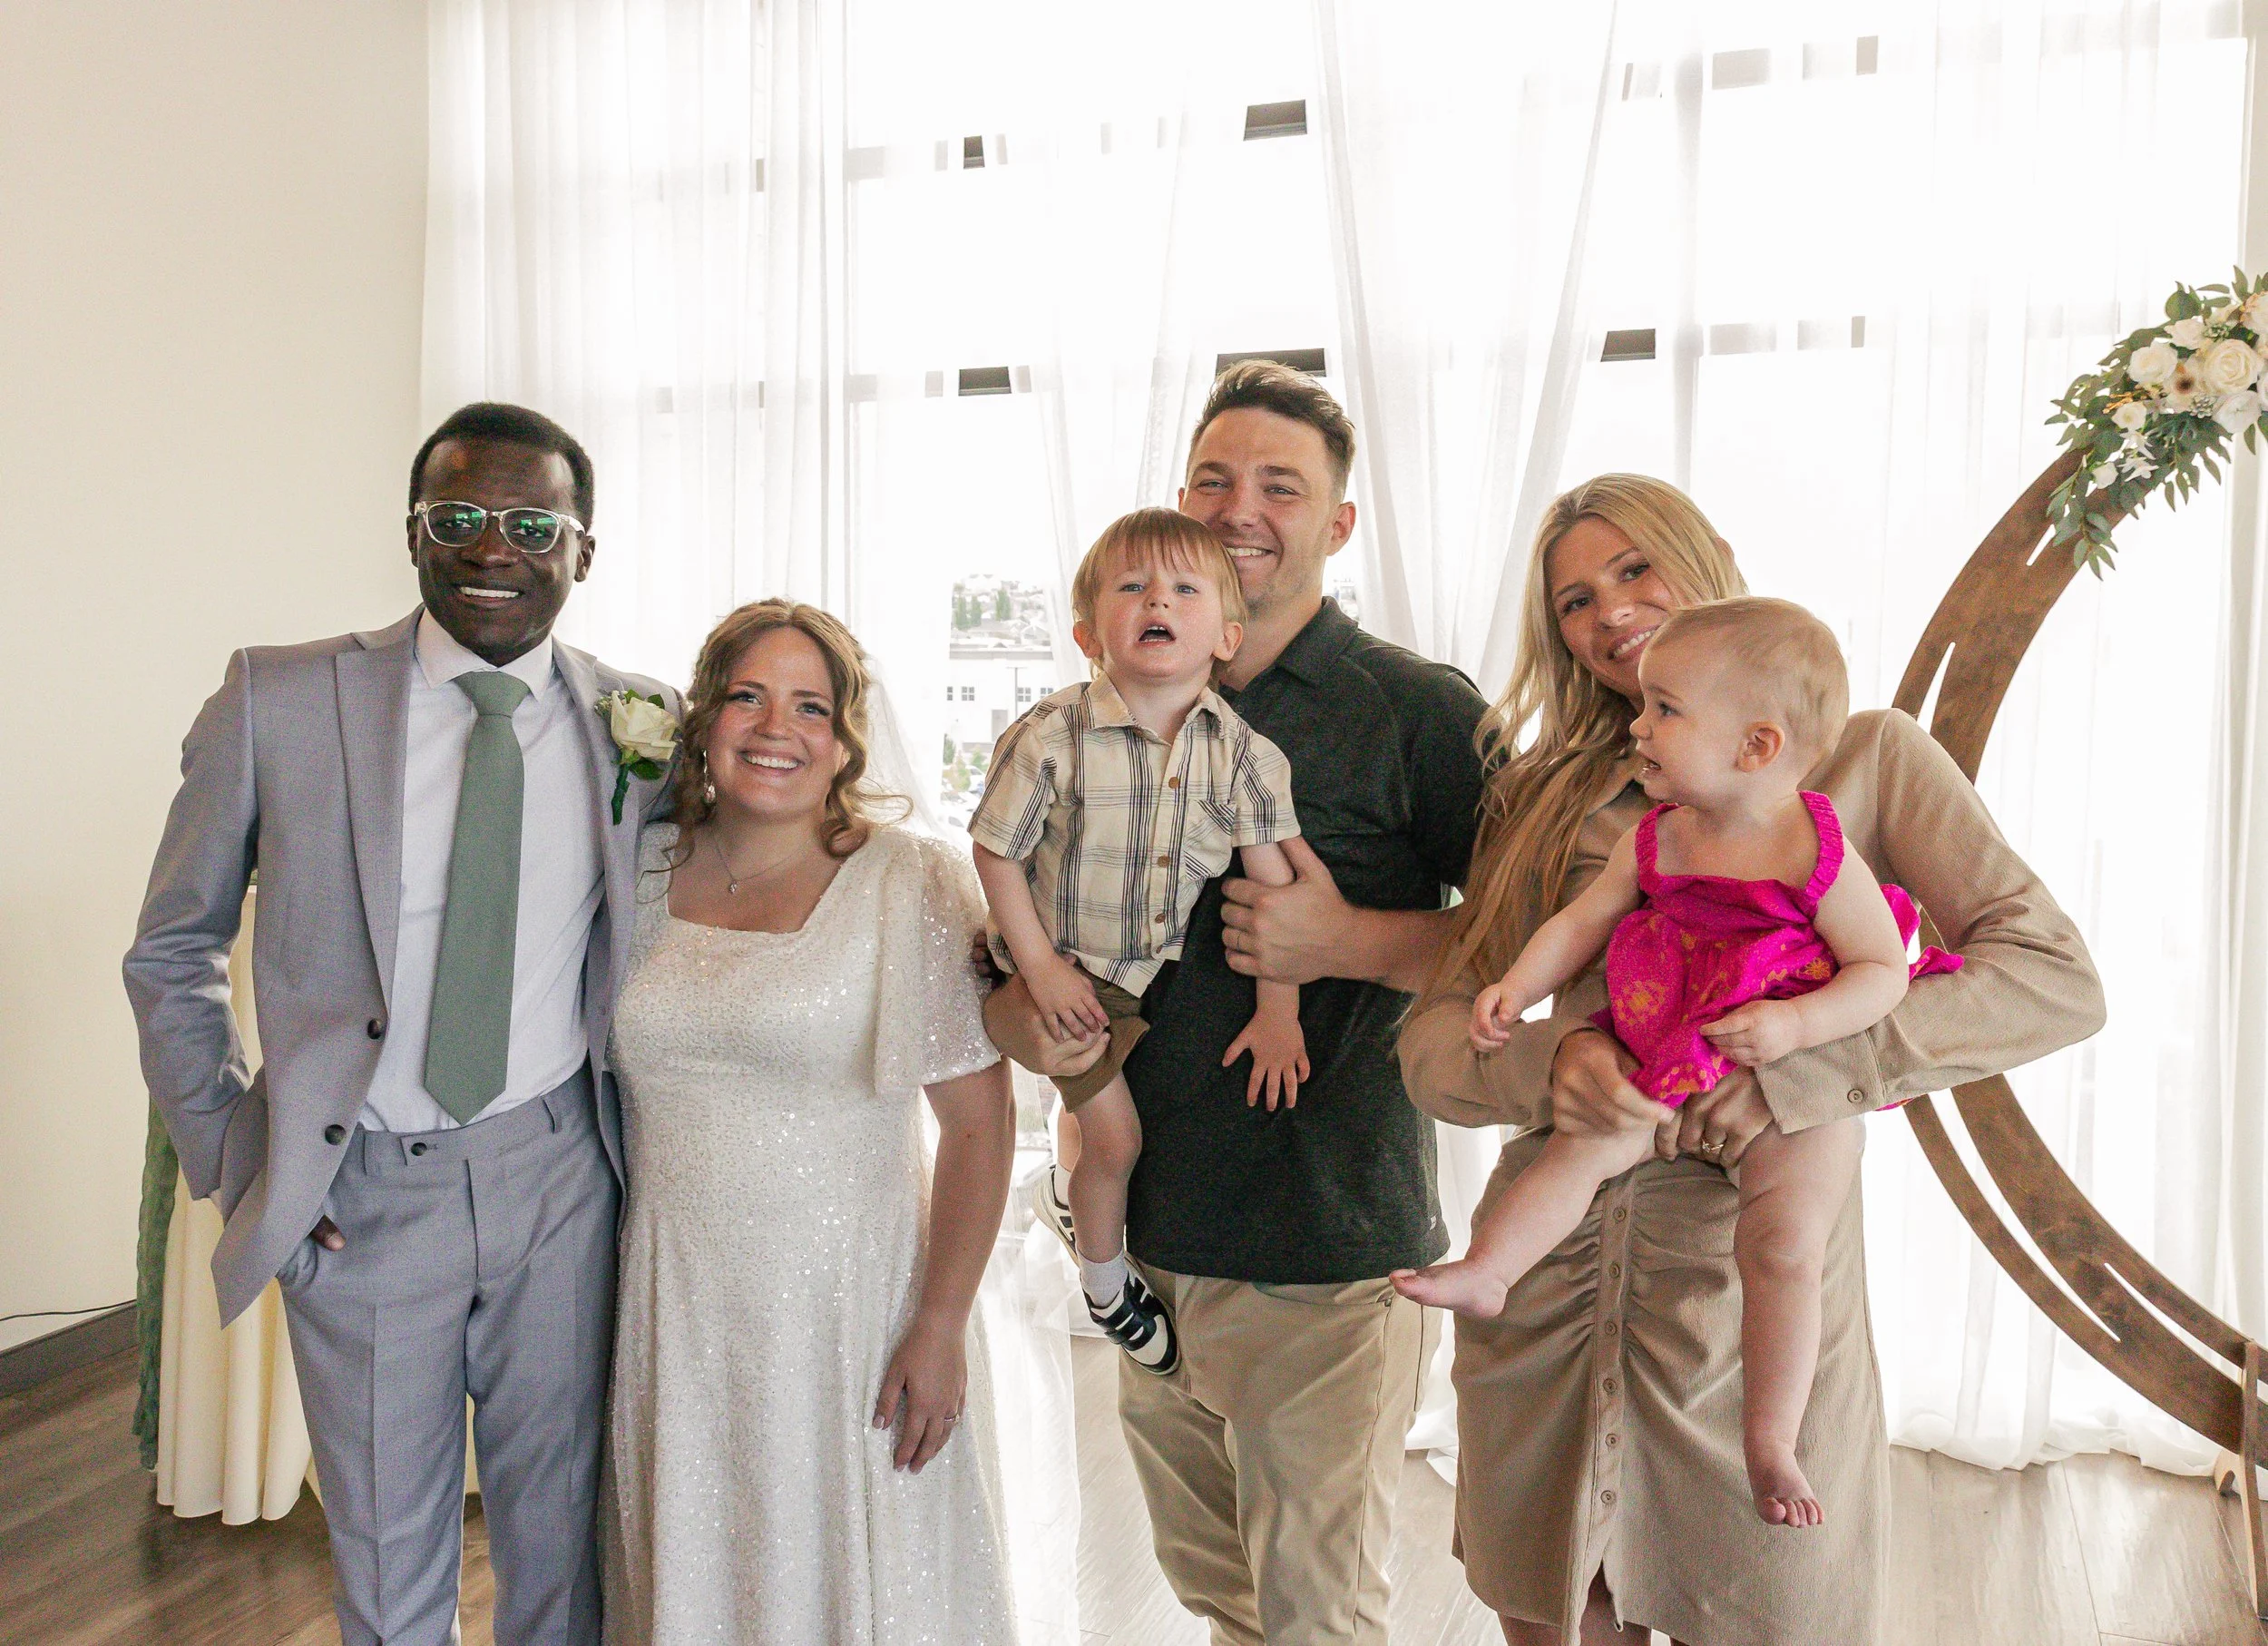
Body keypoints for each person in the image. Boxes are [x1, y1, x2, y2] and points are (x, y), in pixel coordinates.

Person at [1387, 475, 2105, 1645]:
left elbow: (2050, 979)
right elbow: (1432, 1041)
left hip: (1745, 1316)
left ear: (1713, 551)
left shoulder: (1862, 761)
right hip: (1547, 1299)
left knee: (1769, 1606)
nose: (1608, 611)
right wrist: (1548, 1067)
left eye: (1635, 569)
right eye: (1574, 599)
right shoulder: (1537, 799)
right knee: (1561, 1611)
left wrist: (1793, 1074)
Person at [123, 403, 676, 1645]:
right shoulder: (279, 697)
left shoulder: (641, 722)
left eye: (533, 523)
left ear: (582, 550)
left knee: (562, 1550)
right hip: (361, 1194)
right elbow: (171, 949)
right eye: (460, 518)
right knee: (389, 1566)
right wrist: (240, 1158)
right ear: (415, 534)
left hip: (561, 1185)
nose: (495, 548)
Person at [985, 361, 1488, 1645]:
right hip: (1150, 1232)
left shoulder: (1415, 710)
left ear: (1337, 524)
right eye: (1213, 477)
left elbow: (1530, 945)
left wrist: (1351, 936)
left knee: (1318, 1616)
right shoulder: (1098, 708)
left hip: (1322, 1249)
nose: (1239, 505)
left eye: (1281, 484)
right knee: (1225, 1597)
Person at [1394, 595, 1960, 1528]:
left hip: (1788, 1084)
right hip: (1669, 1039)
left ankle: (1771, 1436)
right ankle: (1490, 1268)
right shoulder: (1656, 833)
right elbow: (1579, 922)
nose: (1637, 725)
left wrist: (1793, 1033)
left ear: (1755, 744)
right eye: (1643, 705)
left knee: (1781, 1242)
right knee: (1574, 1148)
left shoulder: (1814, 845)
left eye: (1664, 710)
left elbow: (1880, 973)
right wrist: (1513, 985)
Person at [601, 600, 1018, 1645]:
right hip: (674, 1303)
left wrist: (939, 1323)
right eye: (746, 696)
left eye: (808, 705)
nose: (774, 726)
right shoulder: (637, 872)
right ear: (702, 722)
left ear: (842, 740)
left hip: (852, 1314)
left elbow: (977, 1125)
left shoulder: (906, 881)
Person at [971, 507, 1305, 1377]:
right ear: (1089, 633)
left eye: (1185, 589)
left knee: (1095, 1124)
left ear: (1226, 635)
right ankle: (1105, 1284)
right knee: (1117, 1141)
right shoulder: (1053, 734)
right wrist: (1039, 968)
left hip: (1137, 977)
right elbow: (995, 851)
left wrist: (1280, 1014)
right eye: (1132, 587)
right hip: (1051, 969)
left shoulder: (1242, 756)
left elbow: (1277, 893)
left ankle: (1063, 1193)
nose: (1157, 598)